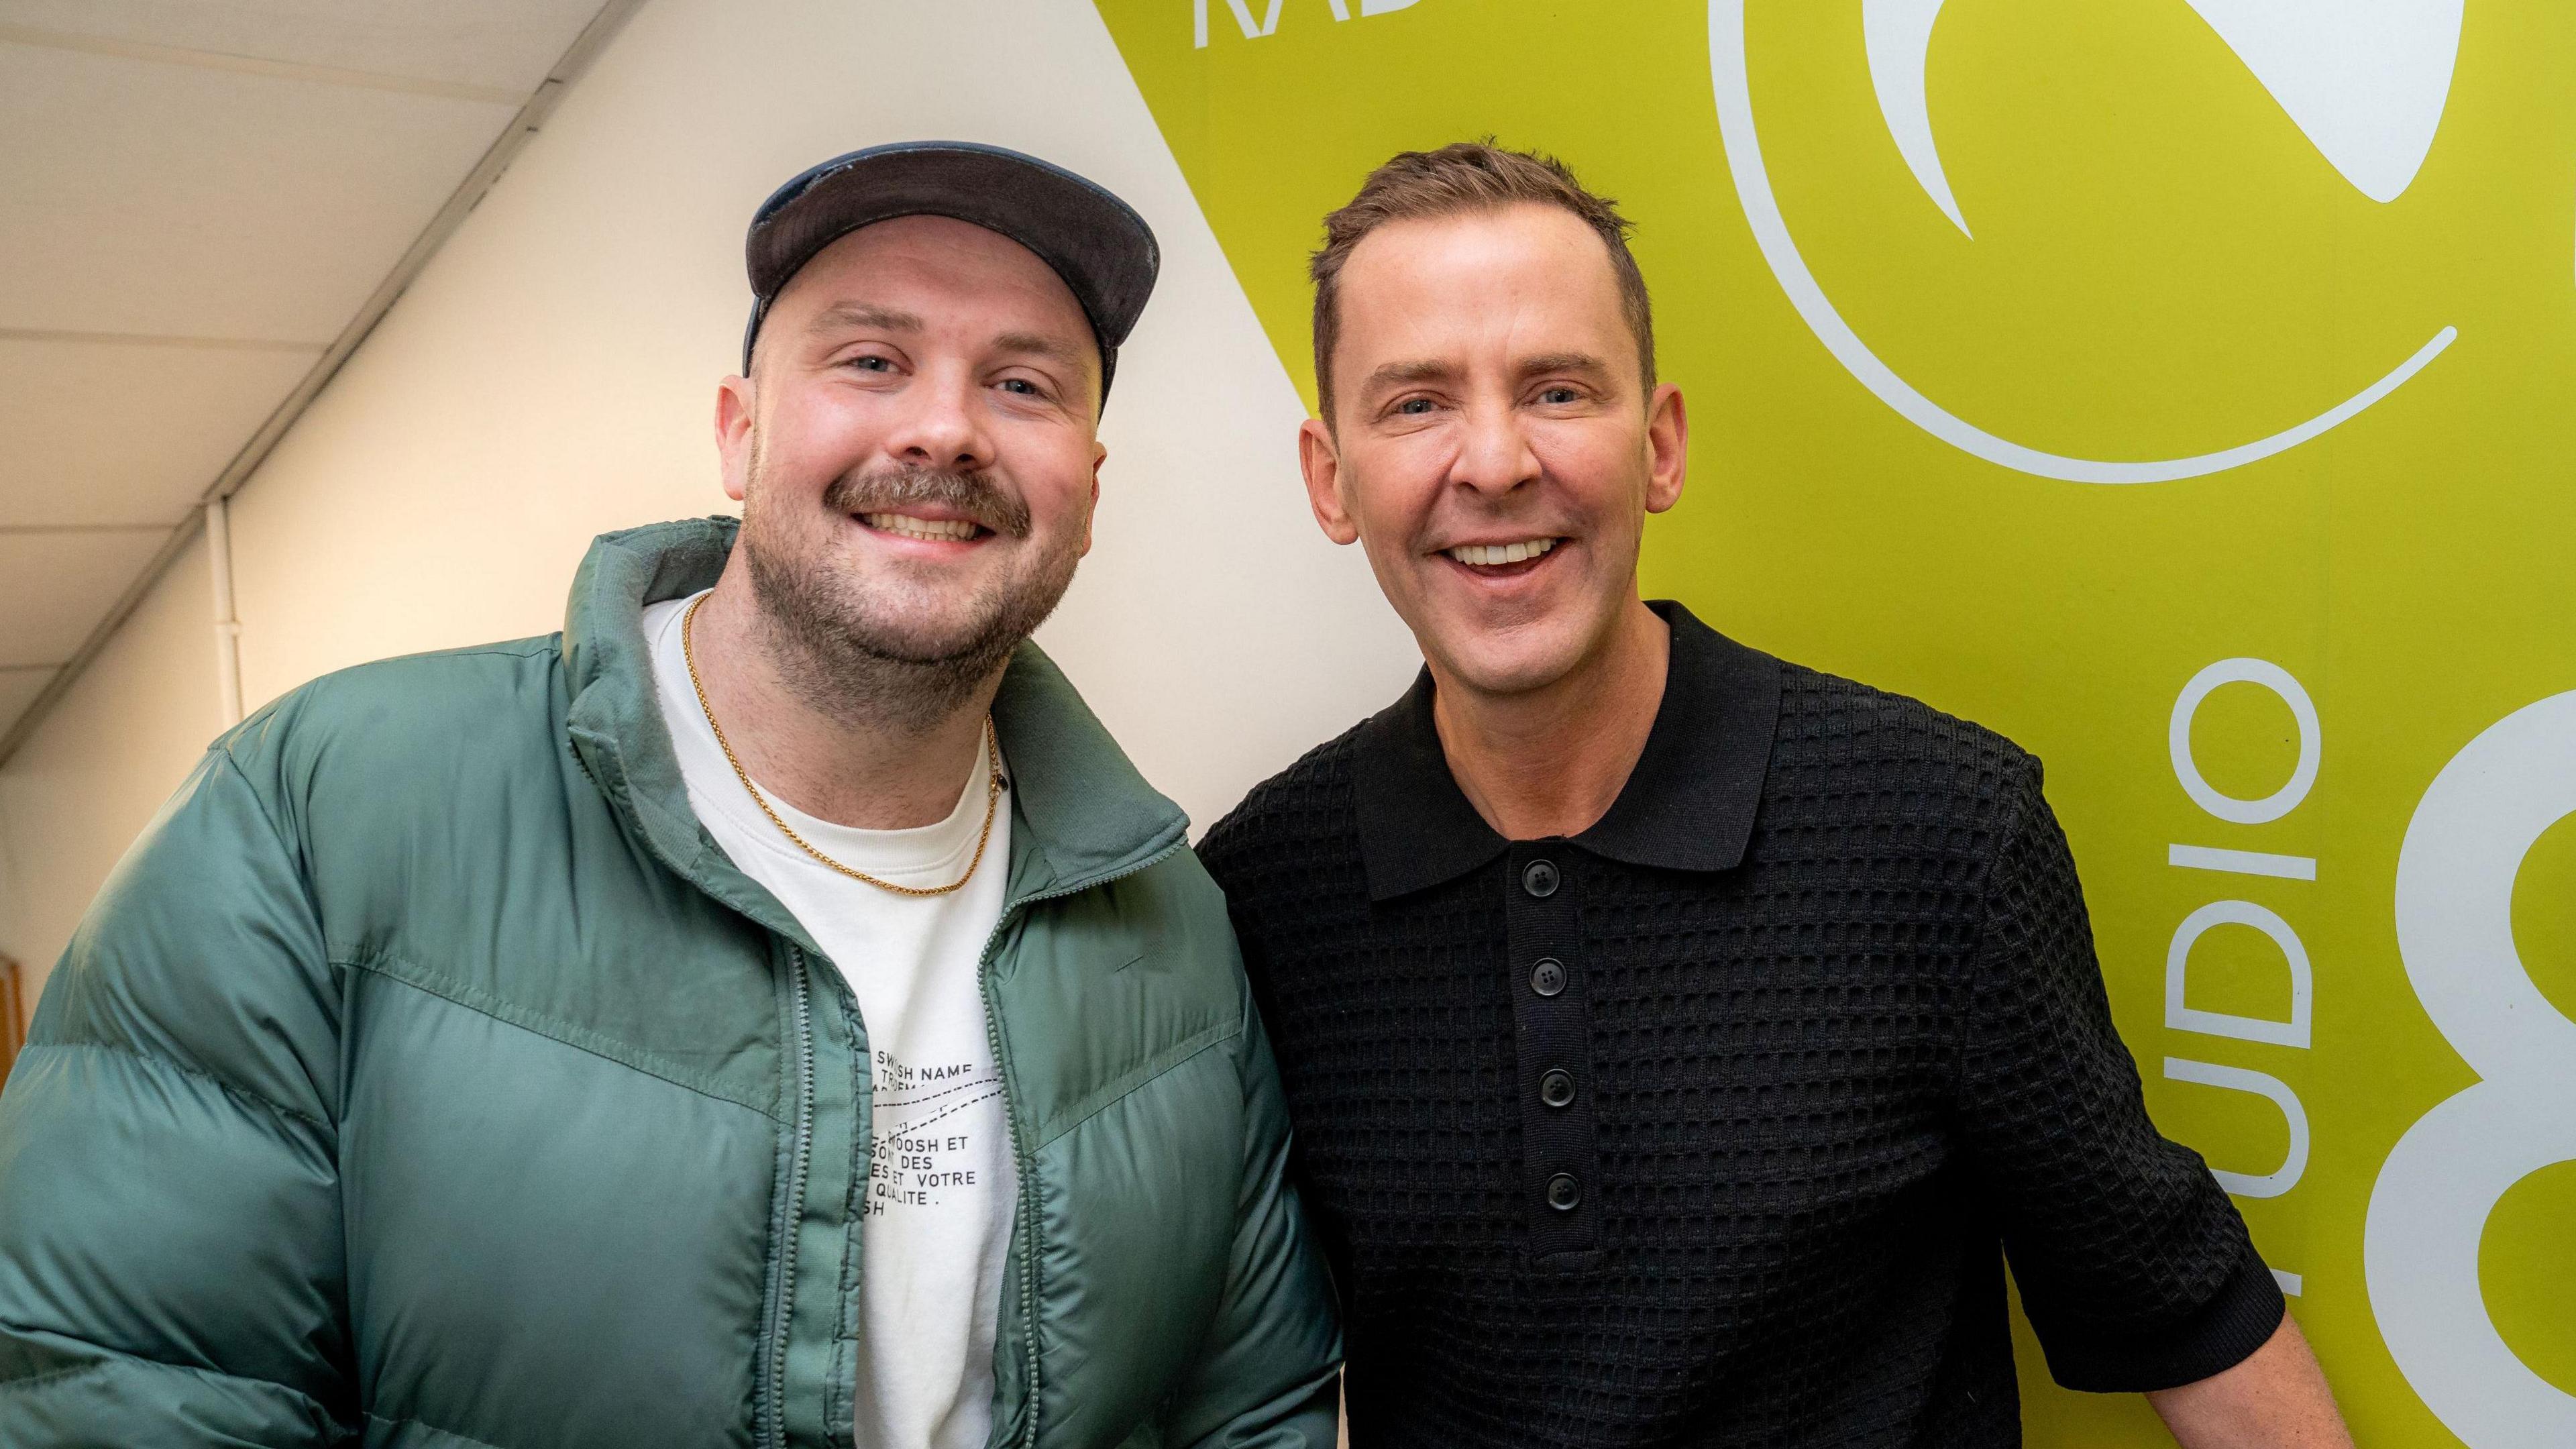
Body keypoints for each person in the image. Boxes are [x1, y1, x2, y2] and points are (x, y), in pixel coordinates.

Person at [0, 141, 1338, 1449]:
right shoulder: (322, 813)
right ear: (740, 433)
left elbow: (1246, 1409)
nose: (944, 427)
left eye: (1026, 385)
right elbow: (117, 1389)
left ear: (1088, 489)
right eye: (871, 359)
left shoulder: (1173, 923)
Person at [1197, 141, 2354, 1448]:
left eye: (1558, 389)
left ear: (1663, 447)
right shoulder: (1260, 894)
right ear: (1329, 477)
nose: (1496, 461)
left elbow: (2185, 1315)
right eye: (1415, 404)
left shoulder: (1942, 836)